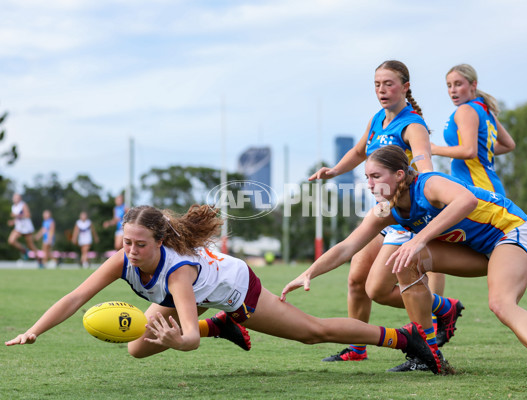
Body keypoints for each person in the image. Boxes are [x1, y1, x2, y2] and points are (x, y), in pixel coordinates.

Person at [5, 204, 440, 374]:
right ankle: (227, 328)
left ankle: (406, 338)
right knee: (138, 347)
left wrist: (180, 339)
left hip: (235, 286)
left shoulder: (177, 274)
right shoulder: (121, 260)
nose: (131, 250)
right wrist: (35, 330)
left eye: (140, 244)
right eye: (126, 242)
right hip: (198, 298)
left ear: (159, 242)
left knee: (312, 331)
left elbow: (188, 338)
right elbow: (75, 298)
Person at [282, 145, 527, 385]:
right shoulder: (386, 209)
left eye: (376, 176)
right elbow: (348, 245)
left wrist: (419, 239)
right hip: (476, 247)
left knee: (500, 303)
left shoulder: (428, 184)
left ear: (400, 175)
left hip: (510, 231)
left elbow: (465, 201)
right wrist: (309, 272)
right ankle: (429, 351)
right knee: (403, 263)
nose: (370, 184)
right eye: (367, 178)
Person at [309, 60, 460, 363]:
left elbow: (423, 160)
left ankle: (439, 316)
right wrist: (335, 171)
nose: (381, 90)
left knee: (378, 288)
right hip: (383, 211)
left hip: (407, 213)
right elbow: (358, 152)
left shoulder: (412, 124)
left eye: (388, 84)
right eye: (377, 84)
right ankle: (357, 347)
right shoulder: (378, 118)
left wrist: (431, 189)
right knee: (355, 280)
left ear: (405, 87)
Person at [431, 63, 527, 343]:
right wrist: (484, 152)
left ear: (473, 85)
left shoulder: (466, 110)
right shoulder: (483, 109)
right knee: (509, 253)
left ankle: (436, 319)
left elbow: (466, 151)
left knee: (437, 242)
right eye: (449, 86)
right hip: (486, 187)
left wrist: (428, 148)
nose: (453, 90)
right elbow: (508, 144)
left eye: (458, 84)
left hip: (478, 193)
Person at [8, 193, 42, 267]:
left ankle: (39, 260)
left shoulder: (23, 205)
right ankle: (24, 250)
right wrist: (13, 222)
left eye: (16, 198)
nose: (14, 199)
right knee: (11, 241)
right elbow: (18, 219)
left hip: (27, 228)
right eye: (14, 198)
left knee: (31, 246)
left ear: (20, 199)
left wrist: (17, 215)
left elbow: (28, 215)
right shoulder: (13, 207)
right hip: (19, 228)